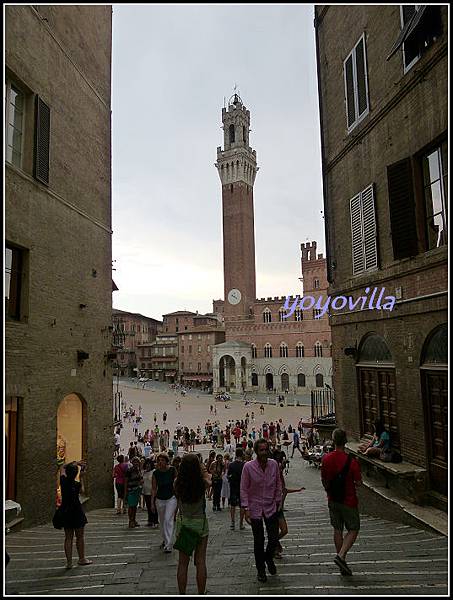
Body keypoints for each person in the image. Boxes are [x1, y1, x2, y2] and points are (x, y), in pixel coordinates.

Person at [321, 428, 362, 577]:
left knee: (337, 529)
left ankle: (341, 561)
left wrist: (328, 491)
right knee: (353, 528)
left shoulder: (326, 458)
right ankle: (341, 556)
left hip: (332, 499)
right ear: (345, 441)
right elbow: (358, 482)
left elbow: (324, 479)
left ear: (333, 441)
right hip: (348, 500)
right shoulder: (351, 461)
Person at [241, 439, 282, 583]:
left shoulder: (274, 465)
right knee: (258, 541)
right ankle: (261, 570)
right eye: (261, 450)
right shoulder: (248, 467)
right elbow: (244, 488)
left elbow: (278, 484)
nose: (264, 453)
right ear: (256, 452)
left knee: (273, 538)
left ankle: (268, 558)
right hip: (255, 507)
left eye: (265, 450)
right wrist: (246, 508)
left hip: (271, 506)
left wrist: (278, 501)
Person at [174, 453, 211, 595]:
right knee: (200, 561)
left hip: (183, 524)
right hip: (200, 523)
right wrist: (203, 470)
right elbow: (209, 480)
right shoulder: (202, 483)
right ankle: (201, 592)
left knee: (183, 563)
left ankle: (182, 593)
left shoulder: (177, 482)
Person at [58, 461, 92, 569]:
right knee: (80, 537)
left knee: (68, 538)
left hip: (66, 511)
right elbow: (83, 491)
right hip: (76, 511)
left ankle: (69, 563)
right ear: (76, 474)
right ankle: (81, 558)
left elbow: (62, 466)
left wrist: (75, 462)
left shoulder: (63, 481)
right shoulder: (77, 485)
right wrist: (81, 476)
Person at [273, 452, 305, 559]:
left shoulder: (281, 481)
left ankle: (273, 544)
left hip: (279, 509)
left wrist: (298, 490)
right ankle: (274, 548)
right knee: (279, 530)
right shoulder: (275, 478)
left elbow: (286, 490)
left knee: (284, 530)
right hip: (274, 508)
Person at [152, 453, 177, 553]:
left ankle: (168, 544)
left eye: (162, 460)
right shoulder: (156, 473)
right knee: (162, 521)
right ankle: (165, 539)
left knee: (168, 519)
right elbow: (154, 488)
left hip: (171, 497)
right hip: (160, 498)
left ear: (166, 461)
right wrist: (152, 503)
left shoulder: (172, 470)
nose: (160, 462)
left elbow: (176, 483)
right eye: (159, 460)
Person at [228, 447, 246, 530]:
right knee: (242, 505)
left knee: (233, 505)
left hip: (233, 487)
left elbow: (228, 476)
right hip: (242, 487)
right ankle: (241, 523)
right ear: (242, 455)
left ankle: (232, 522)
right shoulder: (244, 465)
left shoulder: (231, 465)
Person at [124, 457, 143, 529]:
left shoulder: (138, 470)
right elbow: (126, 482)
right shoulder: (129, 471)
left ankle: (134, 520)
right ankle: (130, 521)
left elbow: (140, 479)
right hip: (131, 490)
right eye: (135, 462)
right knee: (131, 506)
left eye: (137, 462)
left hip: (137, 490)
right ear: (132, 463)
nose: (136, 463)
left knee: (134, 506)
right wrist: (125, 492)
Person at [142, 458, 159, 527]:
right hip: (146, 492)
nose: (147, 466)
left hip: (153, 492)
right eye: (146, 464)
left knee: (154, 507)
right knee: (149, 507)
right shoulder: (144, 472)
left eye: (149, 464)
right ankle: (150, 520)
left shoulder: (154, 472)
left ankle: (155, 521)